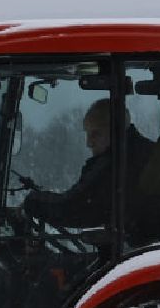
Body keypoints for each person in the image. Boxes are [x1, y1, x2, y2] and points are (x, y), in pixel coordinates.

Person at [24, 98, 150, 229]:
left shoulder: (114, 165)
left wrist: (32, 202)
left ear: (116, 130)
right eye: (88, 134)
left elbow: (72, 208)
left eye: (95, 134)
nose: (89, 143)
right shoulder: (144, 152)